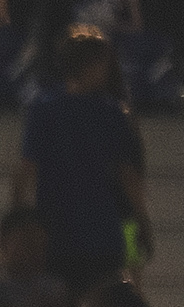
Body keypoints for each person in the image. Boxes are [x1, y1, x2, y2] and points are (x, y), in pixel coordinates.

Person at [19, 24, 147, 290]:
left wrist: (19, 222)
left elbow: (25, 170)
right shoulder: (112, 113)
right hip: (101, 234)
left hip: (55, 234)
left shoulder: (43, 109)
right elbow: (128, 176)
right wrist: (143, 222)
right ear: (92, 65)